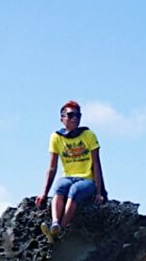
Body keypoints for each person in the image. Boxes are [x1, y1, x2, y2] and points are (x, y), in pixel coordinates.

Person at [35, 100, 105, 239]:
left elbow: (96, 164)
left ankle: (60, 228)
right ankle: (55, 223)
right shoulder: (56, 137)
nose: (75, 118)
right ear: (62, 118)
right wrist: (44, 193)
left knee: (74, 191)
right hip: (68, 176)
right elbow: (52, 167)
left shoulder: (88, 135)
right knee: (60, 187)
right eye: (71, 115)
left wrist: (99, 192)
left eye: (78, 116)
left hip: (86, 179)